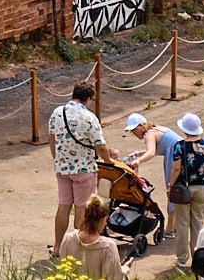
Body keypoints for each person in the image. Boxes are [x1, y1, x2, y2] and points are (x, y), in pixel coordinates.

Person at [48, 80, 118, 253]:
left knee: (63, 206)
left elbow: (52, 138)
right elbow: (100, 146)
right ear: (88, 98)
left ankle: (58, 247)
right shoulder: (89, 117)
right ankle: (77, 249)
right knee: (81, 208)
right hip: (84, 169)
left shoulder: (57, 112)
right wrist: (108, 160)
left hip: (62, 167)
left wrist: (57, 158)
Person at [169, 113, 204, 272]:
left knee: (182, 225)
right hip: (201, 188)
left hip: (184, 188)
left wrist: (171, 185)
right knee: (198, 224)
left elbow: (176, 167)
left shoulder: (180, 145)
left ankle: (182, 261)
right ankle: (198, 260)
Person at [57, 197, 129, 280]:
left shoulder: (68, 239)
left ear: (85, 216)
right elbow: (113, 277)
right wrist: (125, 269)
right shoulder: (108, 246)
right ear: (103, 219)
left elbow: (62, 271)